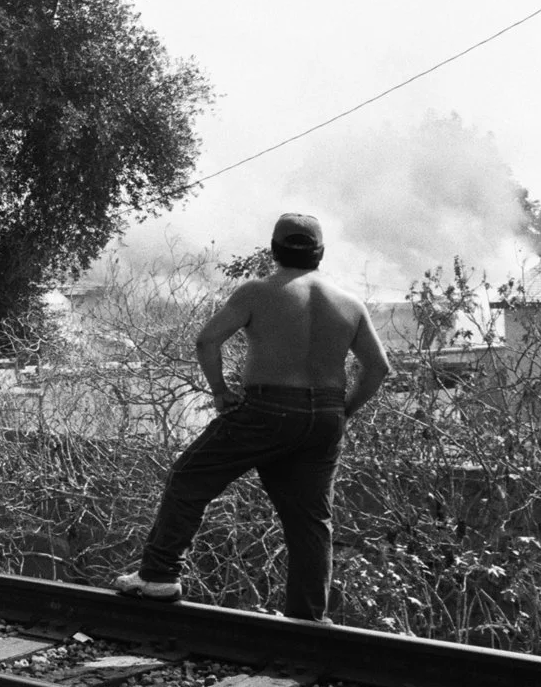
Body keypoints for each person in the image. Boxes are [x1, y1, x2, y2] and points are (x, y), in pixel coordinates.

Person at [115, 213, 392, 621]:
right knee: (311, 520)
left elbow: (207, 341)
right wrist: (342, 411)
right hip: (326, 417)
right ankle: (307, 618)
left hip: (267, 409)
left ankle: (158, 576)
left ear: (274, 250)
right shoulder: (349, 303)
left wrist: (221, 393)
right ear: (320, 254)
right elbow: (379, 368)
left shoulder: (257, 292)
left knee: (190, 478)